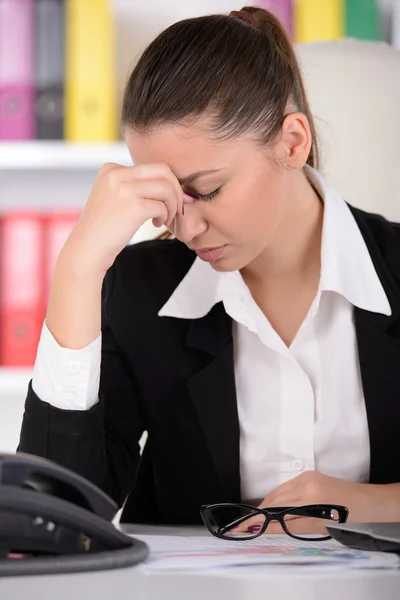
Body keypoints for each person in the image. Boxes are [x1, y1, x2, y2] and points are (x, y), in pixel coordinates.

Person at [18, 6, 400, 534]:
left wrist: (370, 503)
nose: (186, 226)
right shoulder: (139, 291)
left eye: (208, 190)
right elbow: (54, 520)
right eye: (170, 198)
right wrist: (77, 271)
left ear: (292, 142)